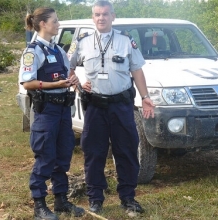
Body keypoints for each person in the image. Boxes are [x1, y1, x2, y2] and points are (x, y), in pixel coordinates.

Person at [68, 0, 155, 214]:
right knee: (94, 153)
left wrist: (145, 96)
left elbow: (137, 71)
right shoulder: (82, 42)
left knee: (126, 151)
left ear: (113, 16)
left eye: (105, 14)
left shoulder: (126, 41)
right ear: (92, 17)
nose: (101, 18)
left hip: (121, 106)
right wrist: (79, 85)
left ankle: (128, 197)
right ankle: (95, 198)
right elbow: (68, 68)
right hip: (95, 107)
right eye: (97, 14)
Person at [18, 7, 85, 220]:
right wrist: (54, 84)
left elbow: (67, 73)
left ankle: (61, 200)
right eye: (55, 21)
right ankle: (39, 206)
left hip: (64, 109)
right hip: (47, 111)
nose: (58, 24)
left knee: (63, 155)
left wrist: (72, 80)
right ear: (43, 24)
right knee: (45, 156)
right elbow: (27, 82)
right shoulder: (33, 51)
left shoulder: (57, 50)